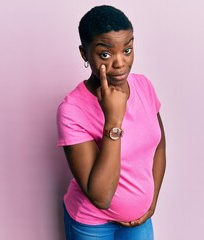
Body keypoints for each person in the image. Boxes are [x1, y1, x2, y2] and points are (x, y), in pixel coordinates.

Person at [56, 5, 166, 240]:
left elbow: (159, 146)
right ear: (85, 53)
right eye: (105, 54)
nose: (120, 62)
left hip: (139, 221)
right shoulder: (71, 111)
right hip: (92, 226)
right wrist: (113, 119)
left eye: (127, 50)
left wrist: (152, 201)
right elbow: (101, 196)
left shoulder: (144, 86)